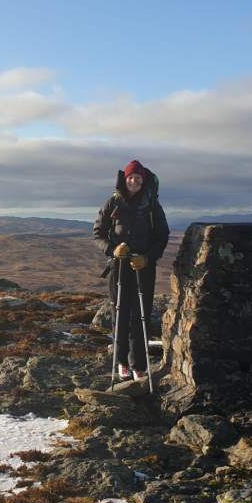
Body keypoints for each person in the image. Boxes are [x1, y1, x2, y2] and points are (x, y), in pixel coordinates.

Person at [93, 160, 170, 381]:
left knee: (141, 316)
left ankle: (138, 365)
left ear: (143, 181)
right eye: (130, 178)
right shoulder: (113, 204)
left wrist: (147, 258)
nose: (134, 181)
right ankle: (121, 363)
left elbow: (162, 236)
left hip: (143, 268)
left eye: (137, 178)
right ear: (124, 180)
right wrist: (113, 249)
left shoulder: (152, 206)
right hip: (119, 267)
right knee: (119, 313)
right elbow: (98, 234)